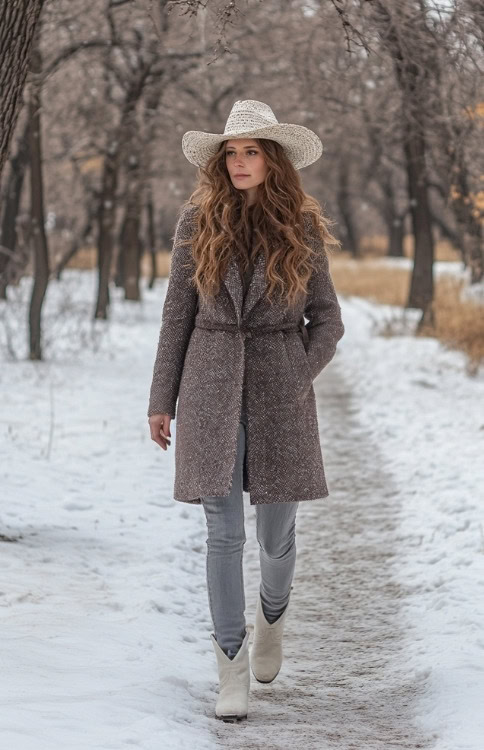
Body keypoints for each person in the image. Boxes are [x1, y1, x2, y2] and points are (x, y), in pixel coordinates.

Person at [147, 99, 345, 722]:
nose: (238, 161)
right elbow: (176, 316)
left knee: (275, 533)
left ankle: (272, 618)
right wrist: (160, 399)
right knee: (222, 530)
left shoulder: (302, 228)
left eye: (251, 151)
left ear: (273, 159)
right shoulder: (195, 223)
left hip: (278, 391)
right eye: (231, 152)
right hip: (207, 387)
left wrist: (296, 373)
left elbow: (329, 321)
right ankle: (229, 667)